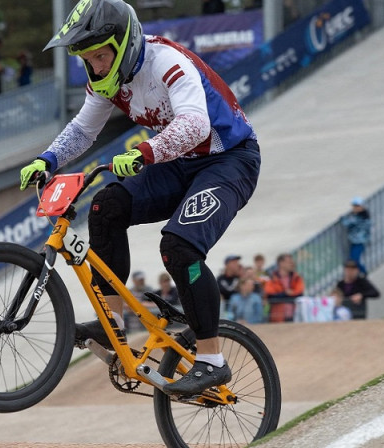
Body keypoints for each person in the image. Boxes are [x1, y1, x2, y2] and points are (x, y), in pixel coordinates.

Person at [19, 0, 260, 397]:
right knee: (104, 206)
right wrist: (47, 159)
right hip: (179, 162)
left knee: (179, 246)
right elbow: (83, 131)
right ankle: (110, 322)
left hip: (228, 159)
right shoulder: (104, 82)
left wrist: (146, 153)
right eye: (88, 59)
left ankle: (212, 360)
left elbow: (197, 124)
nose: (96, 67)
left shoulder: (167, 62)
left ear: (124, 44)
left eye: (100, 56)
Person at [340, 196, 371, 275]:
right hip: (355, 241)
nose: (355, 208)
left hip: (359, 242)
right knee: (353, 260)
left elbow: (345, 223)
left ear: (362, 206)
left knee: (354, 260)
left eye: (357, 206)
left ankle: (363, 272)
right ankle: (360, 273)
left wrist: (343, 218)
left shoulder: (360, 217)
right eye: (354, 206)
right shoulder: (360, 216)